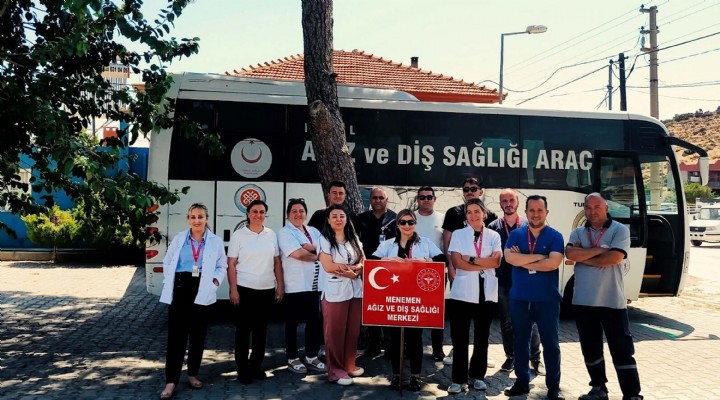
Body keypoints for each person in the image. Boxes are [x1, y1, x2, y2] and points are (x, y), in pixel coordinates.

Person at [566, 193, 643, 400]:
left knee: (622, 349)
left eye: (597, 206)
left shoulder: (620, 230)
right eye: (588, 207)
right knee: (590, 349)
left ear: (606, 208)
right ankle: (598, 389)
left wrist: (585, 256)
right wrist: (600, 251)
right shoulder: (578, 232)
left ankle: (632, 394)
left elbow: (614, 258)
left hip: (612, 301)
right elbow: (571, 254)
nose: (592, 211)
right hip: (583, 301)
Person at [370, 209, 446, 392]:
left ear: (415, 224)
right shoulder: (388, 244)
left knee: (415, 338)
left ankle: (415, 376)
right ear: (397, 225)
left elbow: (442, 258)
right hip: (395, 298)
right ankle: (396, 375)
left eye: (410, 222)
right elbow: (372, 260)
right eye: (402, 222)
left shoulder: (425, 243)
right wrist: (388, 259)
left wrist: (426, 260)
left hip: (417, 298)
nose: (406, 226)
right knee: (395, 338)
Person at [159, 203, 227, 399]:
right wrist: (169, 281)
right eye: (193, 217)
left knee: (198, 336)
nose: (197, 220)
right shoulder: (179, 238)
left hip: (202, 289)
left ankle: (192, 374)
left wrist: (214, 283)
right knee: (176, 337)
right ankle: (171, 381)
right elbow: (167, 261)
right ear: (188, 219)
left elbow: (221, 266)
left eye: (200, 216)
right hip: (180, 289)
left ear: (206, 219)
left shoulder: (215, 241)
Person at [503, 195, 565, 400]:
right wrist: (540, 257)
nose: (536, 214)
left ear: (547, 212)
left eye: (540, 210)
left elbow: (553, 263)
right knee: (520, 342)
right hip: (520, 298)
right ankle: (522, 382)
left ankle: (553, 387)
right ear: (526, 212)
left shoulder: (555, 236)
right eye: (531, 210)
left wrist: (522, 260)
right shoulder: (516, 234)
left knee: (551, 344)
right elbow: (509, 258)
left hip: (547, 299)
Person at [445, 198, 502, 394]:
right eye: (469, 212)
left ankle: (477, 376)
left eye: (477, 211)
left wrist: (470, 259)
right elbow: (457, 262)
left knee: (482, 337)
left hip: (486, 292)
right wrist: (482, 262)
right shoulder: (459, 234)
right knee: (460, 337)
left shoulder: (494, 235)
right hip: (462, 292)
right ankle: (458, 379)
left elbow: (496, 262)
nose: (473, 215)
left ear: (484, 213)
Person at [441, 177, 498, 366]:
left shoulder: (492, 224)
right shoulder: (454, 216)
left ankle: (479, 367)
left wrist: (472, 261)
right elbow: (450, 249)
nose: (470, 192)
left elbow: (496, 260)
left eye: (473, 188)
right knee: (460, 327)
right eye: (466, 189)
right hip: (462, 279)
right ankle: (457, 364)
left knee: (482, 330)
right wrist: (453, 266)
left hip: (485, 285)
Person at [487, 189, 544, 375]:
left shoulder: (529, 225)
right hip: (503, 281)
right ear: (500, 204)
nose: (508, 204)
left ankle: (535, 358)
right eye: (504, 201)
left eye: (511, 200)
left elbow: (539, 252)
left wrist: (521, 256)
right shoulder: (493, 227)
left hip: (527, 280)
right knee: (507, 322)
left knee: (531, 321)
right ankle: (511, 356)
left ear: (518, 203)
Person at [227, 200, 284, 384]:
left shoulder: (271, 234)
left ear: (265, 214)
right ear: (248, 214)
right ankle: (243, 369)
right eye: (254, 211)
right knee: (243, 331)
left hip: (266, 290)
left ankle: (256, 367)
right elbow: (231, 264)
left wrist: (280, 286)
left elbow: (276, 262)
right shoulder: (239, 235)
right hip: (244, 289)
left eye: (261, 212)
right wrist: (233, 289)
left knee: (261, 331)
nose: (258, 215)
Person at [317, 204, 366, 386]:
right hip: (335, 292)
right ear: (328, 221)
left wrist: (356, 270)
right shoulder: (324, 240)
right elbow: (328, 266)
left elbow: (363, 260)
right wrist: (351, 271)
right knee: (335, 333)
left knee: (352, 331)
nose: (339, 219)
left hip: (355, 290)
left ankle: (349, 365)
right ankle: (336, 371)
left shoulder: (354, 238)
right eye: (334, 216)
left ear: (347, 219)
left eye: (342, 216)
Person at [277, 198, 326, 375]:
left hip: (314, 285)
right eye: (294, 211)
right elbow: (298, 254)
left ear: (306, 213)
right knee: (292, 323)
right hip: (295, 285)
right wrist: (318, 255)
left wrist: (310, 248)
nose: (298, 214)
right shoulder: (284, 232)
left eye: (301, 211)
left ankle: (311, 356)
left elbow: (324, 248)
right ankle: (292, 358)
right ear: (288, 215)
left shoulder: (313, 230)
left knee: (313, 322)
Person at [358, 187, 397, 357]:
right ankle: (373, 345)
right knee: (372, 308)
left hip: (391, 271)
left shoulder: (395, 218)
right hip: (369, 269)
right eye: (375, 198)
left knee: (388, 308)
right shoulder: (362, 218)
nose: (378, 200)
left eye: (381, 198)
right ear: (370, 200)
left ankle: (390, 347)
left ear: (386, 200)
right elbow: (356, 243)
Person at [413, 186, 447, 361]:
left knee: (436, 312)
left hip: (437, 272)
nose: (425, 200)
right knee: (415, 310)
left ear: (434, 199)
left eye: (429, 197)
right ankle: (414, 348)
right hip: (412, 272)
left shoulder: (443, 218)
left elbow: (446, 245)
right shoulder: (410, 218)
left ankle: (437, 348)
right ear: (417, 199)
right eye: (422, 197)